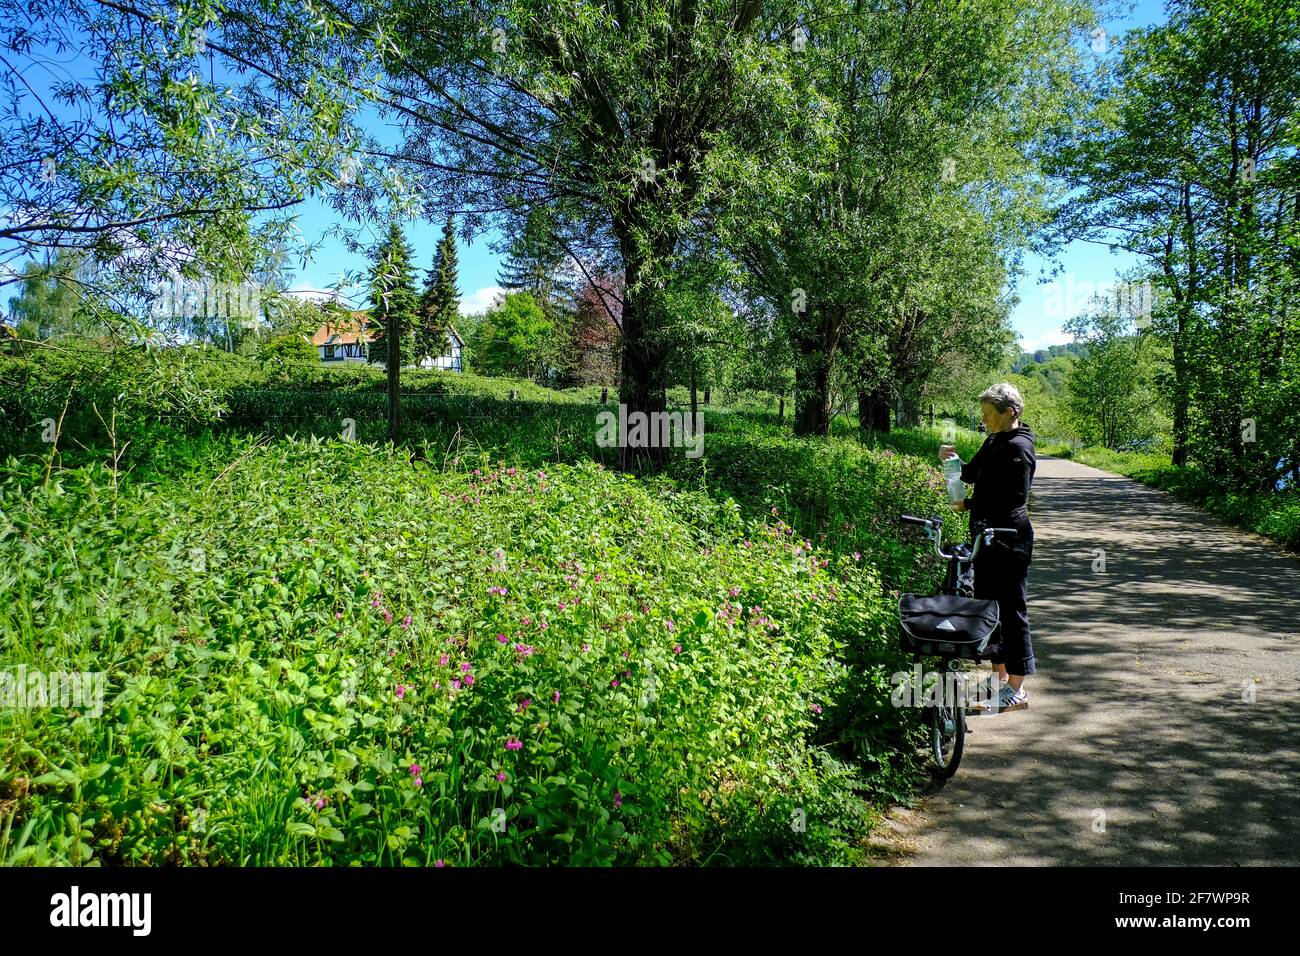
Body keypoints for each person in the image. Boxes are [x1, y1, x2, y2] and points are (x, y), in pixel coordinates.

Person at [938, 383, 1036, 711]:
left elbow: (1013, 499)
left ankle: (1017, 688)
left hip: (1009, 538)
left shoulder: (1019, 448)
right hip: (987, 536)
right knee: (990, 609)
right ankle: (998, 679)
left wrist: (970, 504)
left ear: (1010, 413)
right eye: (982, 414)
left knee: (1012, 611)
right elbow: (973, 474)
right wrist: (953, 462)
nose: (984, 420)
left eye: (988, 415)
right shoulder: (995, 439)